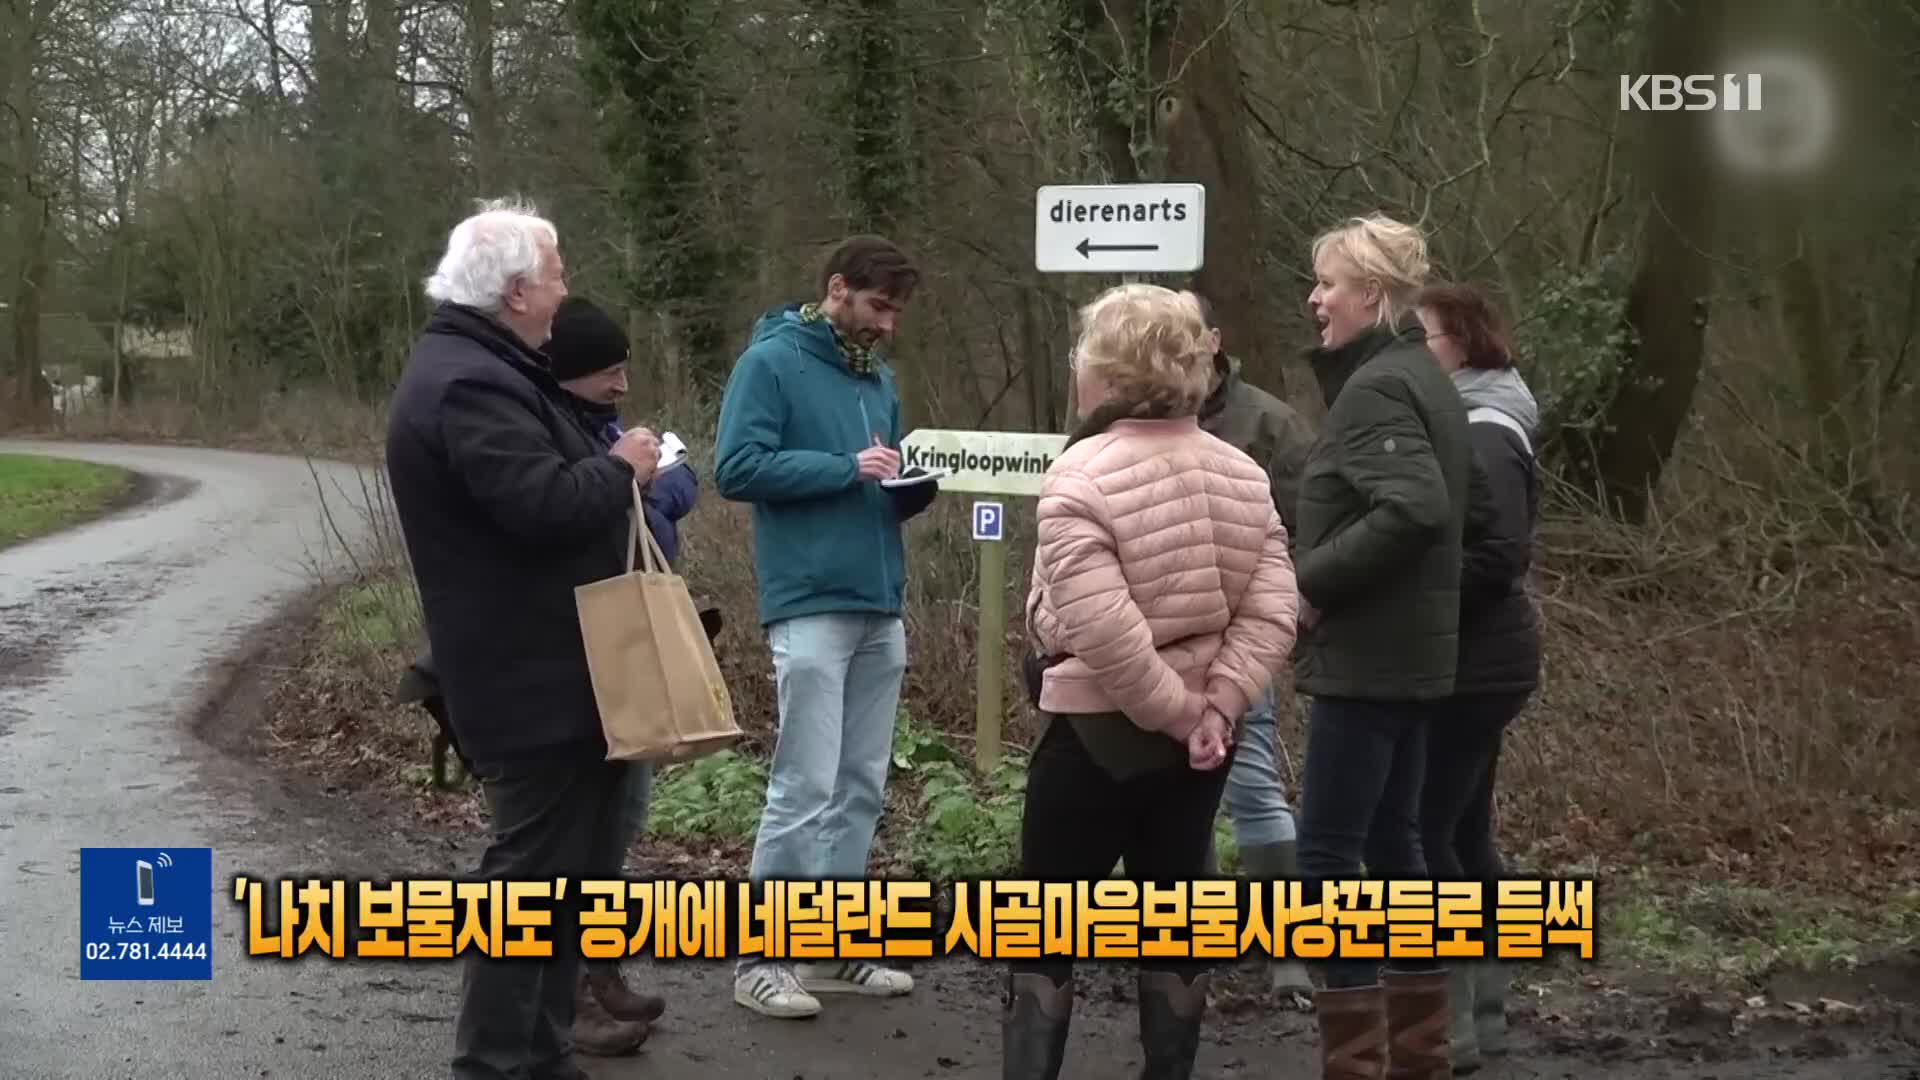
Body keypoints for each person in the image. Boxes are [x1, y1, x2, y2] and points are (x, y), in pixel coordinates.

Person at [384, 197, 664, 1079]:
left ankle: (541, 1055)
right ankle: (500, 1061)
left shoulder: (492, 367)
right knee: (531, 888)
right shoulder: (469, 382)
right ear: (514, 291)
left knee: (563, 885)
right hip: (526, 678)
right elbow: (539, 506)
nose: (565, 289)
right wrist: (621, 468)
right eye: (557, 274)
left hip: (555, 673)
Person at [1004, 283, 1299, 1079]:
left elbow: (1102, 631)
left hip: (1094, 738)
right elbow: (1274, 611)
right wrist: (1217, 707)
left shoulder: (1079, 475)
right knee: (1176, 915)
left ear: (1106, 371)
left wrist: (1176, 715)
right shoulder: (1243, 473)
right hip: (1201, 746)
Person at [713, 234, 939, 1020]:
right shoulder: (770, 363)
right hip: (808, 599)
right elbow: (736, 467)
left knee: (861, 784)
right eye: (879, 307)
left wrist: (907, 485)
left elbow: (878, 472)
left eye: (898, 312)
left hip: (881, 598)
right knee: (803, 784)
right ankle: (761, 960)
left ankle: (837, 947)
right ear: (837, 289)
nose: (888, 326)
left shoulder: (876, 375)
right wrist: (846, 468)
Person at [1291, 213, 1471, 1080]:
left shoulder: (1376, 389)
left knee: (1328, 853)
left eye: (1328, 284)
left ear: (1371, 292)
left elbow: (1415, 508)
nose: (1315, 299)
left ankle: (1356, 1060)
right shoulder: (1420, 376)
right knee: (1396, 845)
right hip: (1411, 660)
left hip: (1369, 662)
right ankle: (1420, 1053)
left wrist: (1311, 581)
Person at [541, 295, 698, 1047]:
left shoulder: (601, 435)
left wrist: (648, 486)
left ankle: (599, 969)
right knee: (570, 836)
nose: (623, 384)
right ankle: (567, 993)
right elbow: (594, 521)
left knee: (619, 822)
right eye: (610, 370)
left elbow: (657, 518)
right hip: (576, 658)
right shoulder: (550, 437)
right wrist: (640, 484)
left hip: (621, 653)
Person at [1413, 283, 1542, 1074]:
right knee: (1464, 832)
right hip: (1483, 660)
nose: (1413, 351)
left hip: (1474, 663)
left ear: (1461, 342)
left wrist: (1414, 586)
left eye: (1423, 337)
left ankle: (1455, 1018)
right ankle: (1484, 1014)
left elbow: (1498, 555)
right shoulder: (1475, 415)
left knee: (1428, 832)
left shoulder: (1486, 428)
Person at [1189, 293, 1319, 997]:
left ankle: (1288, 952)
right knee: (1180, 799)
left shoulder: (1269, 421)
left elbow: (1311, 523)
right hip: (1156, 640)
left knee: (1255, 787)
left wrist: (1282, 610)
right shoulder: (1135, 412)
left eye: (1190, 329)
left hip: (1238, 638)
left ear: (1214, 338)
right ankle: (1201, 945)